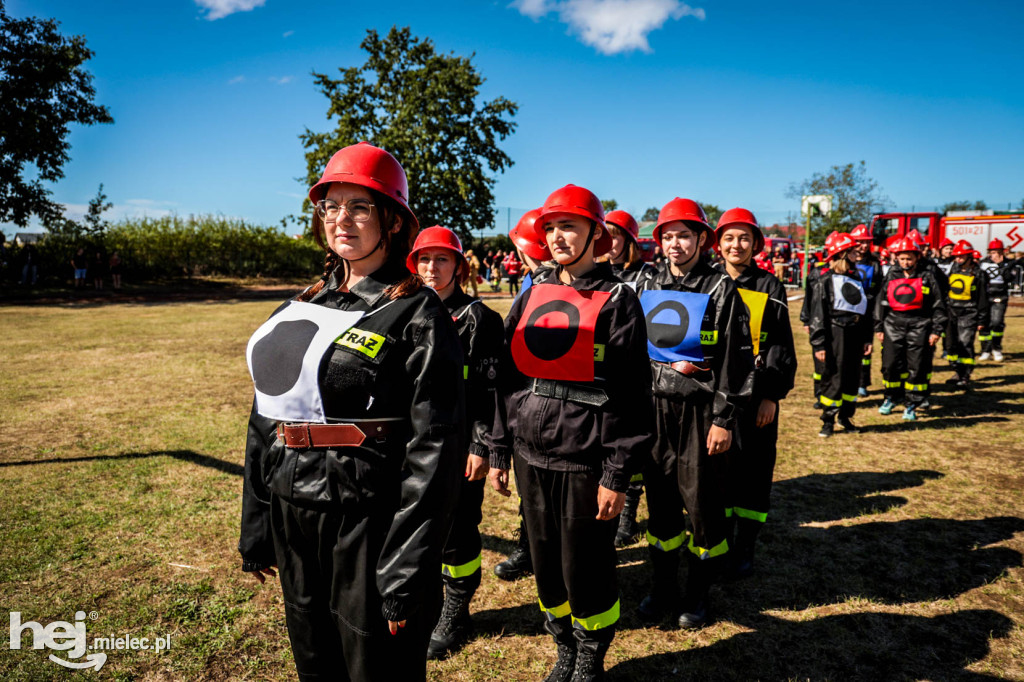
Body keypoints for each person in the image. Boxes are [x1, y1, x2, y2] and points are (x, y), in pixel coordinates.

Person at [238, 142, 465, 682]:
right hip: (293, 510)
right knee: (314, 660)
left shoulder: (417, 312)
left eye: (360, 206)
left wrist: (407, 567)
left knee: (374, 670)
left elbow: (436, 449)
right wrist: (257, 521)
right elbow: (264, 417)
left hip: (368, 521)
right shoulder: (302, 301)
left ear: (391, 220)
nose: (343, 219)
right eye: (331, 205)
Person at [488, 184, 654, 681]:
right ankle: (563, 642)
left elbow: (631, 395)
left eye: (570, 227)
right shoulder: (533, 290)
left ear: (595, 235)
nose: (559, 237)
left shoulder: (618, 300)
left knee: (586, 566)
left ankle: (590, 653)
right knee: (545, 563)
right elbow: (507, 375)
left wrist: (618, 475)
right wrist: (498, 447)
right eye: (552, 228)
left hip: (586, 462)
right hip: (530, 458)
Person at [636, 198, 753, 630]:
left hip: (700, 415)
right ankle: (662, 587)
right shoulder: (645, 282)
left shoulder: (720, 288)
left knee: (703, 509)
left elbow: (734, 362)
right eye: (667, 236)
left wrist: (724, 419)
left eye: (684, 235)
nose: (675, 244)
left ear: (703, 240)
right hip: (654, 412)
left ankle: (699, 595)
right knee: (662, 509)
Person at [406, 226, 504, 660]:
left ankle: (456, 610)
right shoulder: (404, 309)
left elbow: (491, 392)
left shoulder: (480, 318)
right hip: (412, 443)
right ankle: (423, 600)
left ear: (459, 265)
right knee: (417, 525)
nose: (432, 268)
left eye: (441, 259)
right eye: (424, 259)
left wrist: (482, 446)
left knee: (458, 529)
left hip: (460, 444)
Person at [714, 208, 796, 579]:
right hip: (714, 396)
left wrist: (771, 396)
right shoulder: (708, 282)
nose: (736, 245)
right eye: (729, 237)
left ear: (756, 244)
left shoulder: (769, 285)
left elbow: (780, 346)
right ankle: (718, 541)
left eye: (744, 238)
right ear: (717, 243)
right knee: (717, 472)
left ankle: (745, 546)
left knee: (753, 469)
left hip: (755, 396)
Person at [492, 208, 552, 582]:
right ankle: (529, 545)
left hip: (540, 401)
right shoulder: (533, 281)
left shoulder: (545, 286)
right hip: (524, 402)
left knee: (541, 489)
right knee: (530, 487)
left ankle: (534, 549)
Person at [603, 208, 657, 548]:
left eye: (616, 235)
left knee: (632, 443)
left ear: (629, 241)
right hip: (606, 371)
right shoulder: (598, 275)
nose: (608, 242)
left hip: (642, 367)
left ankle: (629, 514)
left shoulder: (647, 277)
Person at [874, 237, 947, 421]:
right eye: (902, 258)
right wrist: (879, 327)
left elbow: (938, 304)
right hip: (893, 325)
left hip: (920, 325)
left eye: (909, 258)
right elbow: (881, 302)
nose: (906, 262)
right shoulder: (892, 274)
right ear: (896, 258)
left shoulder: (927, 276)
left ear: (916, 257)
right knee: (890, 365)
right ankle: (891, 397)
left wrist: (936, 330)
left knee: (917, 367)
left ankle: (912, 404)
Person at [808, 233, 872, 437]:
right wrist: (819, 344)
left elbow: (864, 311)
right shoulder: (825, 280)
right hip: (835, 333)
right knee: (834, 376)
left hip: (855, 334)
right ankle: (828, 421)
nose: (857, 254)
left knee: (852, 377)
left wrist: (867, 338)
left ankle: (846, 417)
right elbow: (818, 314)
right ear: (843, 254)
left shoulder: (856, 278)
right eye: (853, 251)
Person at [944, 240, 989, 389]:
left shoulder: (979, 274)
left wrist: (982, 319)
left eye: (961, 256)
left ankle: (965, 375)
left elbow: (983, 298)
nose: (958, 259)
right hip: (952, 312)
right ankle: (957, 371)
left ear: (969, 256)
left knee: (965, 344)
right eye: (956, 256)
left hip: (969, 313)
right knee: (951, 345)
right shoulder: (954, 269)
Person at [850, 224, 883, 397]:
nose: (863, 246)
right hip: (850, 309)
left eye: (866, 242)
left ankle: (863, 383)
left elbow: (880, 288)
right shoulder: (847, 259)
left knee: (866, 348)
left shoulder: (874, 262)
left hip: (868, 311)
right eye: (860, 242)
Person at [979, 238, 1020, 361]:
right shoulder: (983, 263)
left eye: (996, 252)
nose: (994, 255)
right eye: (992, 252)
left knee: (996, 322)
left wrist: (1001, 266)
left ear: (1002, 252)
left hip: (1000, 296)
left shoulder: (1008, 263)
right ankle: (985, 350)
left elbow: (1009, 278)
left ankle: (996, 348)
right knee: (984, 323)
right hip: (985, 297)